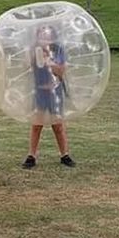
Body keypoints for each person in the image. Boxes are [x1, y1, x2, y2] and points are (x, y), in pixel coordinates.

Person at [22, 25, 74, 169]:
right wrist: (38, 52)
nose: (45, 38)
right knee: (36, 125)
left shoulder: (58, 50)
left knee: (57, 125)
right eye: (42, 35)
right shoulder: (34, 50)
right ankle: (31, 156)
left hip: (55, 91)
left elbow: (62, 71)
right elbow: (26, 65)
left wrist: (50, 61)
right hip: (39, 91)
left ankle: (65, 155)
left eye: (48, 35)